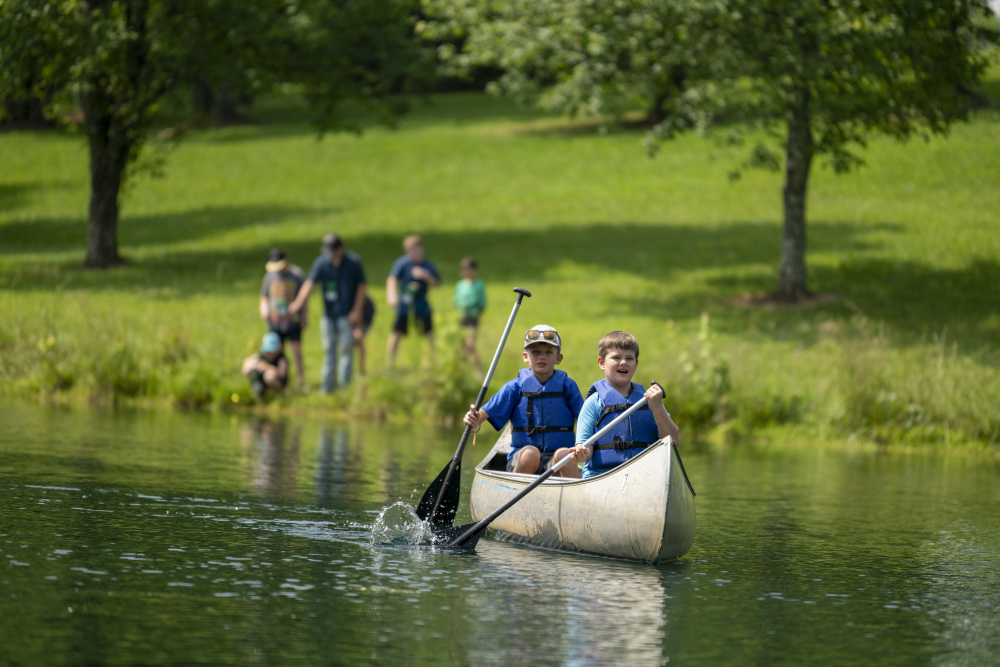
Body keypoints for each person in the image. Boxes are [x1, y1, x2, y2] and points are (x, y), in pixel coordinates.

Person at [463, 325, 585, 477]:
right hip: (522, 457)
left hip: (555, 462)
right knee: (530, 454)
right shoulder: (514, 387)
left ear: (558, 358)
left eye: (548, 352)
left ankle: (577, 497)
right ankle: (514, 492)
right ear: (525, 356)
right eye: (536, 352)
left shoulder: (568, 386)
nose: (542, 357)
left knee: (565, 456)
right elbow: (483, 414)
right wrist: (474, 419)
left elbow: (586, 419)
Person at [572, 331, 680, 479]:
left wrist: (657, 407)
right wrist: (581, 452)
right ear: (602, 363)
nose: (623, 362)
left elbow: (674, 441)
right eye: (616, 357)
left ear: (635, 365)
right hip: (602, 476)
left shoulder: (649, 400)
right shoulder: (593, 403)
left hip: (645, 475)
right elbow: (586, 450)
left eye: (629, 358)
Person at [288, 233, 366, 394]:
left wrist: (356, 310)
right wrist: (298, 303)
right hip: (329, 314)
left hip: (347, 314)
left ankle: (345, 388)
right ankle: (327, 388)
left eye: (333, 250)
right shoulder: (321, 262)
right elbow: (310, 283)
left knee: (346, 349)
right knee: (329, 349)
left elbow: (361, 287)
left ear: (341, 247)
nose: (330, 253)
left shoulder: (353, 262)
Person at [386, 234, 440, 367]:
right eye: (411, 249)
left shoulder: (427, 265)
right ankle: (390, 363)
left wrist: (425, 275)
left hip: (421, 303)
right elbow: (392, 278)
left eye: (417, 249)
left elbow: (436, 283)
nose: (414, 252)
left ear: (422, 249)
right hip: (404, 303)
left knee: (428, 332)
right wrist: (391, 294)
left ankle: (431, 362)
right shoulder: (403, 263)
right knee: (397, 331)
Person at [259, 248, 306, 388]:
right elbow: (264, 296)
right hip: (275, 322)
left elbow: (304, 298)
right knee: (278, 354)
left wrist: (304, 317)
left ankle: (301, 381)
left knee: (296, 351)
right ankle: (282, 382)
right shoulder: (269, 276)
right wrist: (263, 308)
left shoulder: (296, 275)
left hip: (293, 321)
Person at [453, 256, 487, 372]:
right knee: (463, 344)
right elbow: (456, 300)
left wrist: (476, 310)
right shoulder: (460, 284)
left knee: (470, 343)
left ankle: (476, 369)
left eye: (468, 269)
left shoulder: (478, 284)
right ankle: (465, 368)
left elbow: (482, 302)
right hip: (462, 316)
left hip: (473, 317)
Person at [241, 332, 289, 398]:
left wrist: (266, 368)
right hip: (261, 380)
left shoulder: (281, 359)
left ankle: (279, 395)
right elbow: (246, 361)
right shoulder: (262, 356)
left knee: (269, 376)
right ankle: (257, 390)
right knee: (248, 366)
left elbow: (282, 374)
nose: (269, 353)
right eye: (267, 351)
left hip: (277, 382)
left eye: (272, 351)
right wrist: (254, 364)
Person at [353, 294, 375, 375]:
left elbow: (369, 317)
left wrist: (362, 330)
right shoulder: (349, 297)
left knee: (360, 340)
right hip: (349, 321)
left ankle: (361, 368)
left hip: (364, 322)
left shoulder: (368, 302)